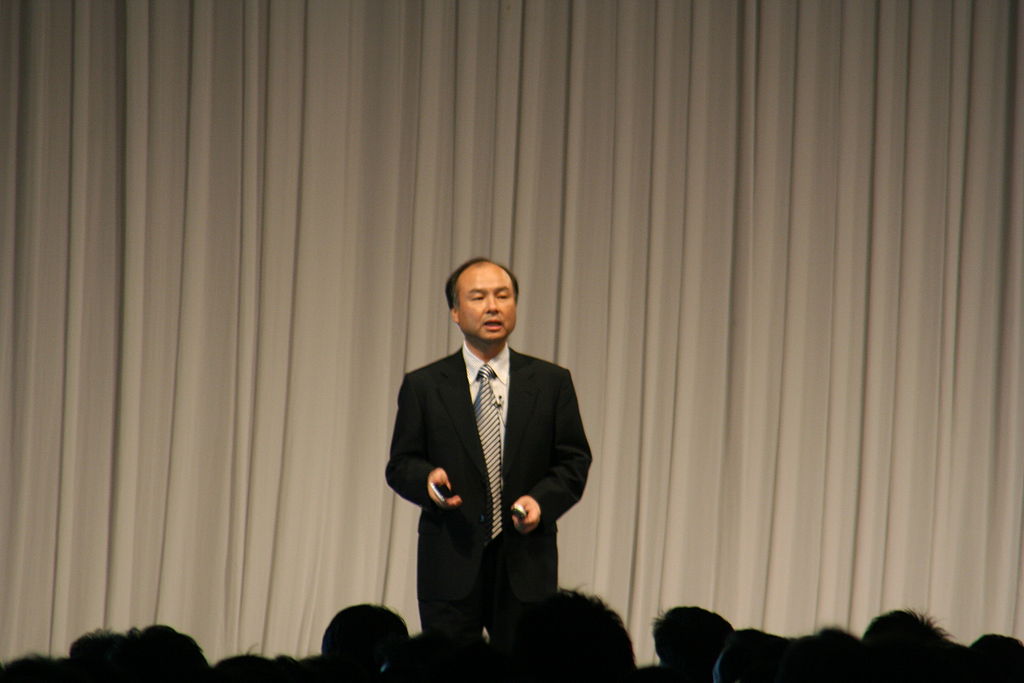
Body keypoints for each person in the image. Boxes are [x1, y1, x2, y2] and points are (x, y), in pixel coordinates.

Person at [385, 257, 592, 652]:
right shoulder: (424, 385)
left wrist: (540, 502)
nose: (493, 307)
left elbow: (573, 460)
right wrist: (428, 482)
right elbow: (401, 464)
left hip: (525, 563)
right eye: (478, 297)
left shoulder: (551, 382)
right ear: (455, 312)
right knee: (449, 671)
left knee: (525, 669)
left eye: (503, 296)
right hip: (450, 559)